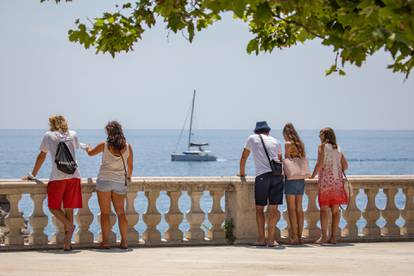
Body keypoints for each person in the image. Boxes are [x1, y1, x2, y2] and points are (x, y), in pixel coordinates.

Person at [23, 115, 82, 251]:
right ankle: (67, 243)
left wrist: (33, 175)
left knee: (53, 207)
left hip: (57, 177)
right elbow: (77, 147)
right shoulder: (73, 134)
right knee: (69, 208)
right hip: (74, 176)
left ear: (52, 123)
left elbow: (42, 156)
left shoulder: (48, 135)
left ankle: (68, 225)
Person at [86, 121, 133, 249]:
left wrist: (87, 147)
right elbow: (130, 167)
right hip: (119, 182)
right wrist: (128, 178)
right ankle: (124, 242)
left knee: (105, 213)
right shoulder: (128, 147)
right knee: (121, 213)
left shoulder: (104, 145)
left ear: (108, 132)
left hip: (104, 181)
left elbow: (90, 153)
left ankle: (105, 242)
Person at [238, 121, 283, 247]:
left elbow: (244, 157)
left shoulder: (252, 138)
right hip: (277, 177)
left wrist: (242, 173)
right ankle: (271, 240)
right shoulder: (276, 141)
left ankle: (262, 239)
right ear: (268, 131)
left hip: (262, 176)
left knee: (259, 209)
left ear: (256, 131)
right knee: (274, 210)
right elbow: (280, 160)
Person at [310, 127, 348, 244]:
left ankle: (324, 237)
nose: (318, 137)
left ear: (325, 136)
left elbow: (319, 164)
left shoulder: (321, 147)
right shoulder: (338, 148)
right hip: (337, 182)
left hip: (326, 181)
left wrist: (312, 175)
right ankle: (333, 238)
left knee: (324, 210)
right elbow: (345, 166)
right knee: (335, 211)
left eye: (320, 135)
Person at [283, 123, 307, 245]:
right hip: (300, 178)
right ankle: (300, 236)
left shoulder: (287, 144)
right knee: (299, 208)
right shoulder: (301, 144)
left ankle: (294, 237)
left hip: (291, 178)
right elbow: (303, 159)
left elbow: (286, 161)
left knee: (291, 209)